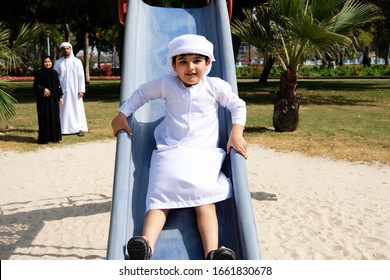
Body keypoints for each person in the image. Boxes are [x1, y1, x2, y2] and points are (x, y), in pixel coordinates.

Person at [111, 34, 247, 260]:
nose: (190, 67)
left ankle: (212, 252)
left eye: (197, 61)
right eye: (182, 61)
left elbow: (237, 106)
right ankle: (145, 244)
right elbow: (141, 94)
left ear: (208, 63)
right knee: (158, 198)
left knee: (205, 201)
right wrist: (122, 114)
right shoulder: (167, 84)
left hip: (203, 154)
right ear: (173, 65)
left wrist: (236, 133)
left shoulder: (215, 87)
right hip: (171, 151)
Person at [54, 42, 88, 136]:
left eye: (67, 48)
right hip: (62, 91)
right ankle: (62, 129)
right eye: (64, 49)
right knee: (63, 109)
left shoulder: (77, 62)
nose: (66, 50)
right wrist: (57, 91)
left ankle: (79, 128)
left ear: (70, 49)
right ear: (61, 50)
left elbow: (81, 76)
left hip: (75, 90)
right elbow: (55, 78)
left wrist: (81, 90)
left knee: (77, 108)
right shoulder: (58, 62)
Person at [33, 56, 64, 144]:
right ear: (43, 63)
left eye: (49, 61)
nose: (48, 63)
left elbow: (58, 85)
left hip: (53, 99)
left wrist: (60, 97)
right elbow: (35, 86)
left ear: (52, 62)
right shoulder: (39, 73)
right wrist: (43, 89)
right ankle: (44, 139)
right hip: (42, 100)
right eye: (45, 61)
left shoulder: (54, 73)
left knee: (54, 117)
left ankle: (55, 137)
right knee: (44, 117)